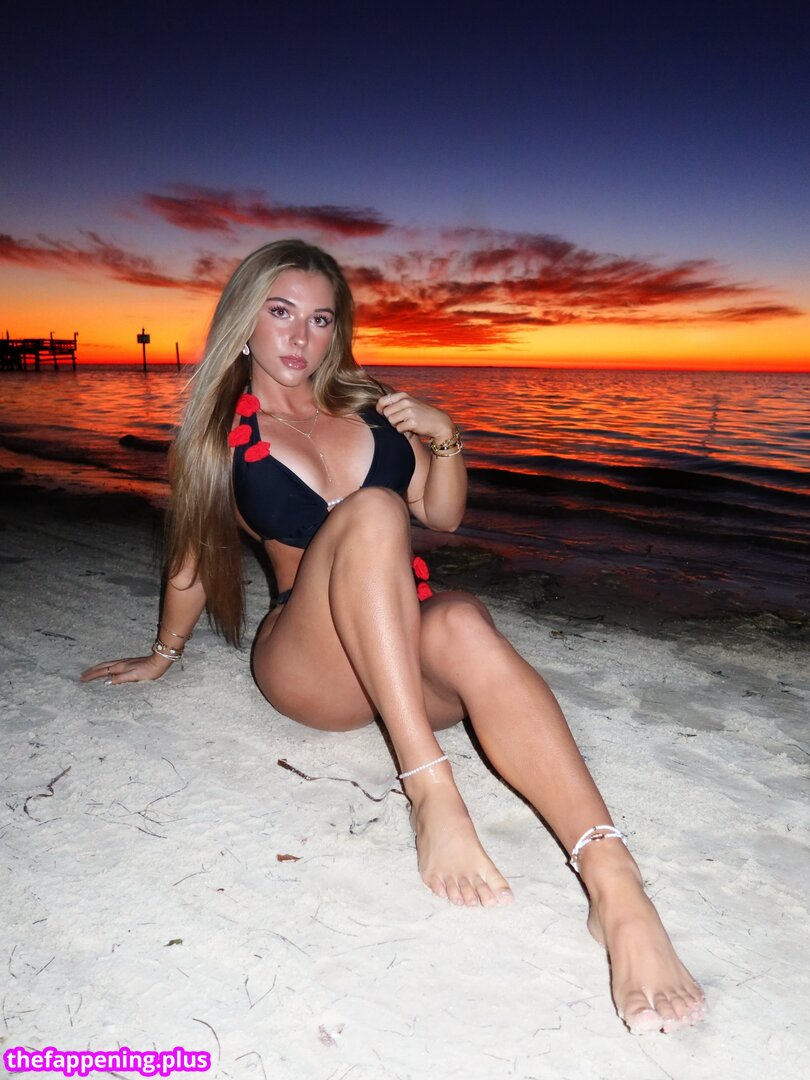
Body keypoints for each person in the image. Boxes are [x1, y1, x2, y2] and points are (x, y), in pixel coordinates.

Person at [81, 238, 707, 1035]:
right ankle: (431, 792)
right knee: (373, 510)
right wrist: (164, 653)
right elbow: (195, 558)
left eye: (320, 319)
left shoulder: (370, 411)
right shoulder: (216, 436)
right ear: (244, 322)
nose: (300, 336)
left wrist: (445, 437)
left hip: (402, 651)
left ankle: (616, 888)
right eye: (281, 312)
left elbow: (442, 514)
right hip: (310, 664)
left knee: (465, 619)